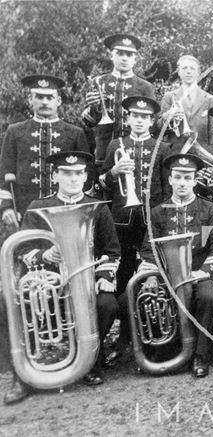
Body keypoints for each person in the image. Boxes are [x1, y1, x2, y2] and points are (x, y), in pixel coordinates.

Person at [3, 151, 120, 404]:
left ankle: (91, 363)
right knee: (14, 305)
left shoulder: (97, 207)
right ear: (56, 175)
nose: (72, 178)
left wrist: (104, 276)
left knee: (108, 304)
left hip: (87, 281)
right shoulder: (37, 207)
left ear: (86, 176)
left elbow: (112, 251)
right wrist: (45, 255)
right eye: (66, 173)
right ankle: (23, 376)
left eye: (78, 173)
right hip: (50, 280)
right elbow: (22, 249)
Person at [137, 153, 213, 377]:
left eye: (187, 178)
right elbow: (148, 248)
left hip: (198, 272)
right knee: (152, 296)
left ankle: (200, 355)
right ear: (170, 180)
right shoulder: (157, 211)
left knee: (208, 297)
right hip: (166, 274)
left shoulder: (209, 209)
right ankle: (165, 350)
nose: (182, 183)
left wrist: (204, 272)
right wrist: (151, 275)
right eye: (178, 177)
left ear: (195, 180)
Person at [99, 96, 171, 351]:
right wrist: (114, 172)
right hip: (122, 220)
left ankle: (151, 333)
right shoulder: (116, 144)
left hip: (151, 221)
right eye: (135, 116)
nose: (139, 121)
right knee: (124, 274)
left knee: (151, 273)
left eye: (145, 117)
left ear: (152, 121)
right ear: (128, 118)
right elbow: (102, 185)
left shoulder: (161, 147)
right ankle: (124, 335)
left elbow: (166, 188)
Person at [0, 75, 91, 226]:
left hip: (66, 211)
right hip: (24, 210)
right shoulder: (15, 131)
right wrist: (7, 207)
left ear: (59, 101)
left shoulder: (75, 133)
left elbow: (86, 174)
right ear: (30, 99)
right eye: (39, 97)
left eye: (50, 97)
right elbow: (4, 172)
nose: (44, 102)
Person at [82, 34, 155, 172]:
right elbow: (89, 123)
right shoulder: (99, 82)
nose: (124, 58)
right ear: (111, 55)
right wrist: (94, 107)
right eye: (120, 53)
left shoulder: (146, 87)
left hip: (136, 153)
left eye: (129, 54)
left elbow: (152, 125)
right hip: (103, 152)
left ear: (135, 58)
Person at [157, 55, 213, 153]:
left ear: (198, 72)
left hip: (200, 154)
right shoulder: (169, 97)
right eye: (184, 68)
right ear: (179, 72)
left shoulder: (210, 99)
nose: (188, 71)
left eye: (192, 68)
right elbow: (158, 130)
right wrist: (165, 118)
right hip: (174, 153)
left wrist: (210, 155)